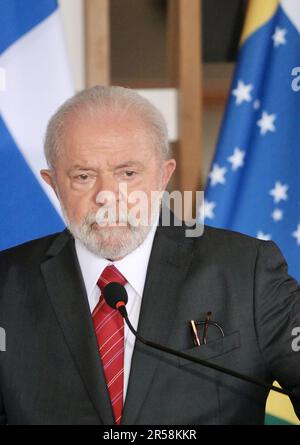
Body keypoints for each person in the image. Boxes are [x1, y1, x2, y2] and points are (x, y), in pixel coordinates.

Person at [0, 86, 299, 425]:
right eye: (83, 176)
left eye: (128, 173)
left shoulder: (249, 271)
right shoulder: (6, 286)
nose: (107, 196)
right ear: (53, 184)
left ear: (163, 175)